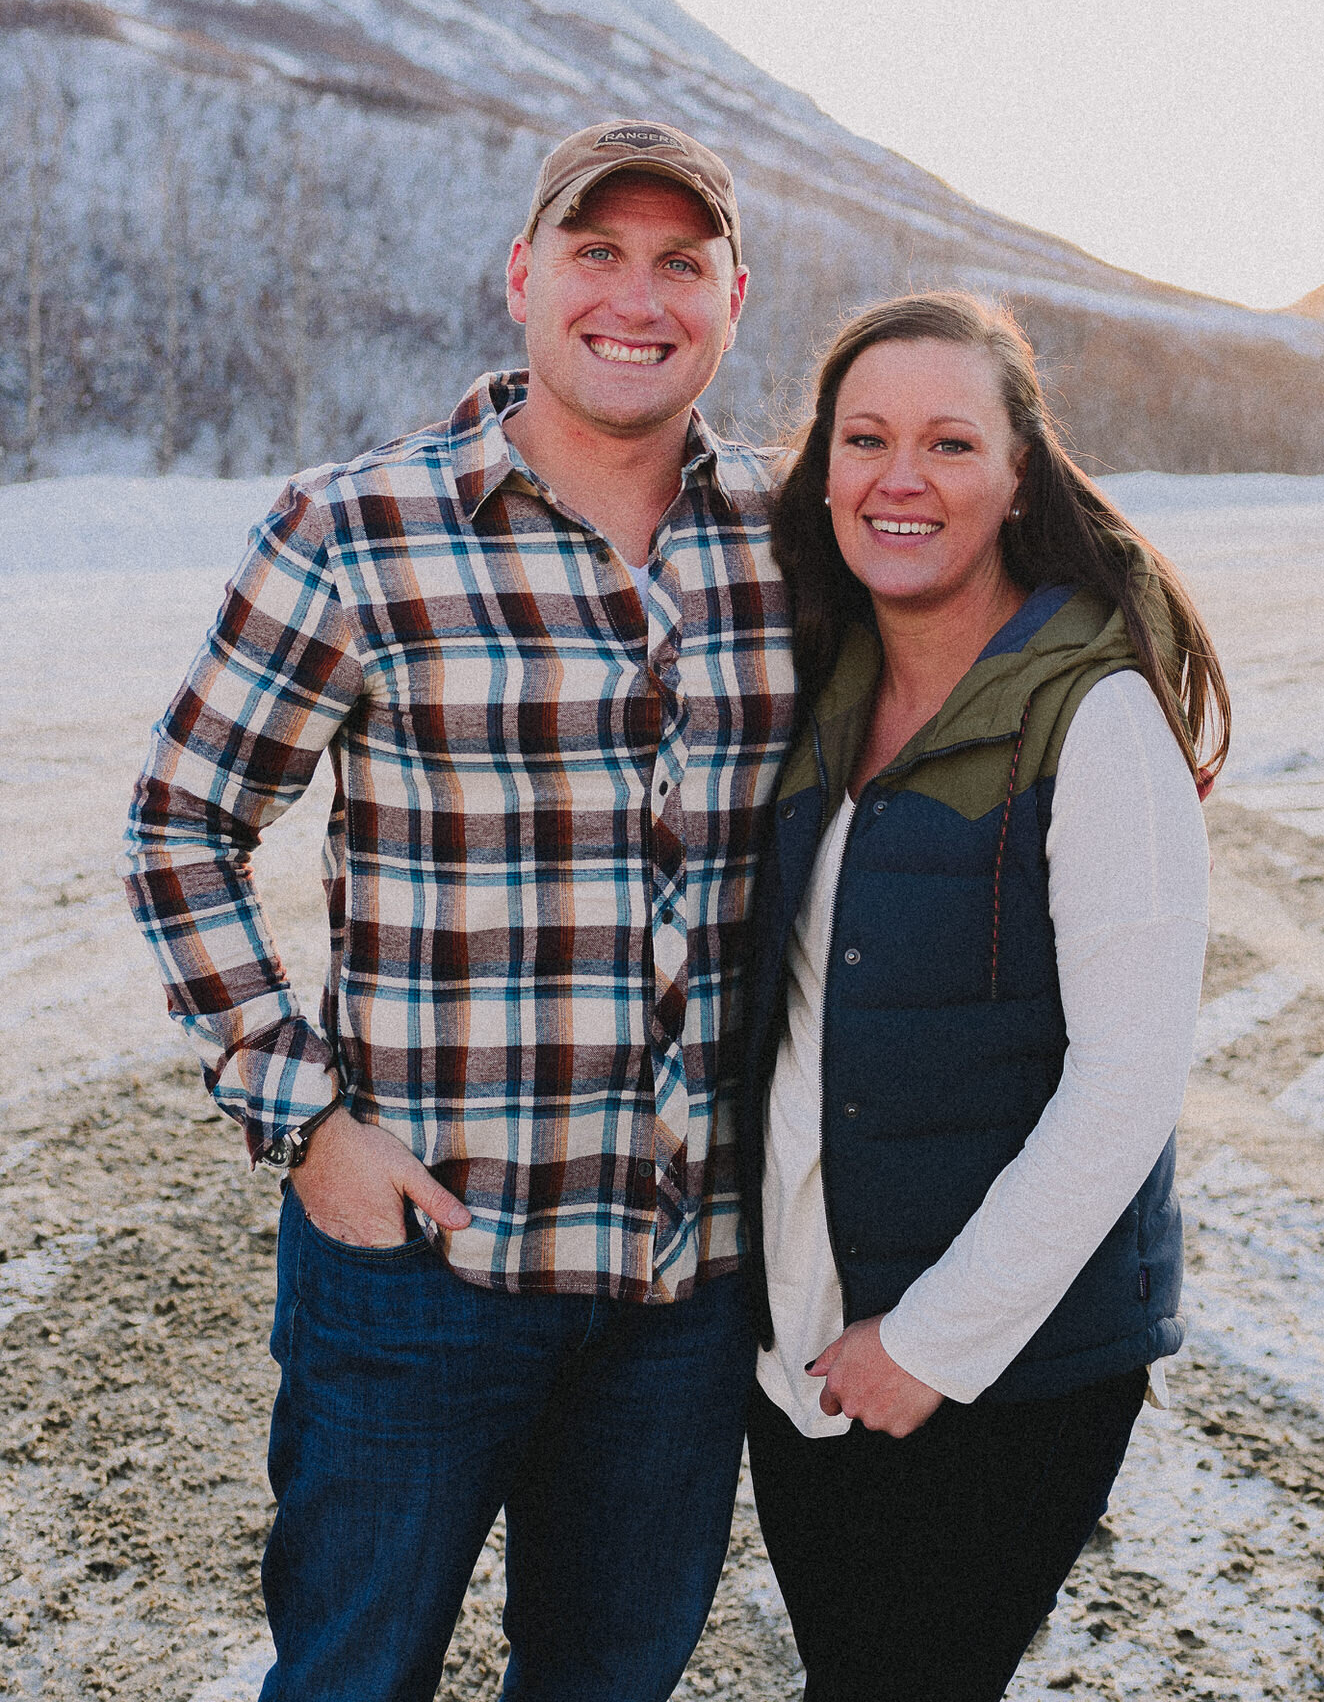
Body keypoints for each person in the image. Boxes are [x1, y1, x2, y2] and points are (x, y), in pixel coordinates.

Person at [121, 118, 797, 1702]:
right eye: (596, 253)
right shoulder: (355, 529)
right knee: (355, 1676)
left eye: (679, 265)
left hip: (684, 1294)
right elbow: (180, 825)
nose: (637, 298)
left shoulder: (789, 542)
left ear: (734, 298)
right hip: (422, 1269)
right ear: (520, 276)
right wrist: (307, 1122)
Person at [740, 292, 1227, 1702]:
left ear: (1020, 479)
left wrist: (933, 1343)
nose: (902, 478)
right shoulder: (818, 686)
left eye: (951, 443)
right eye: (866, 437)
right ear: (820, 466)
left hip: (999, 1366)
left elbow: (1127, 1081)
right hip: (807, 1344)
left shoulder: (1095, 716)